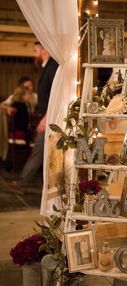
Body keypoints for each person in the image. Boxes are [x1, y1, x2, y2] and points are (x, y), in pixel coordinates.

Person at [9, 42, 58, 194]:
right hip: (47, 117)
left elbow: (54, 95)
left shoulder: (52, 66)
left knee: (39, 151)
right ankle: (32, 184)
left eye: (35, 50)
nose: (33, 54)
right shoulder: (46, 67)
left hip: (50, 118)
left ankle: (23, 183)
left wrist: (47, 117)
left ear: (44, 50)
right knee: (42, 152)